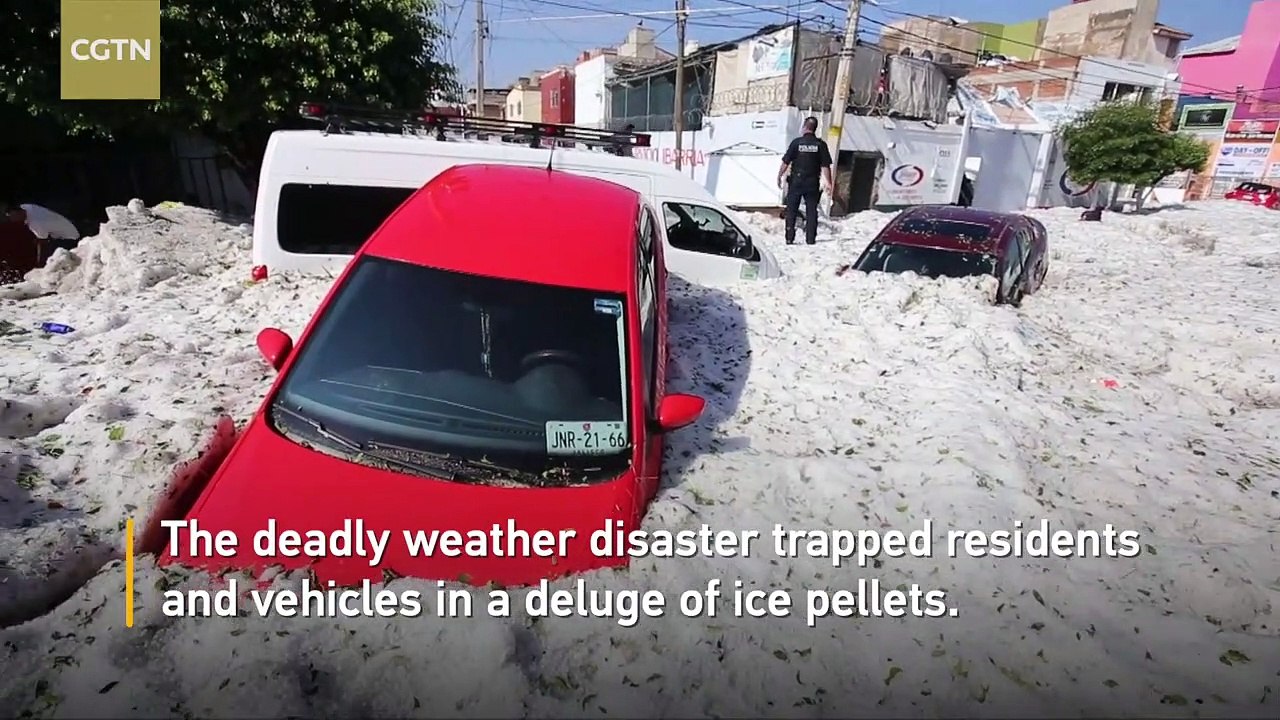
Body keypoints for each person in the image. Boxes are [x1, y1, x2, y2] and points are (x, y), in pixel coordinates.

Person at [776, 116, 834, 245]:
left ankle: (789, 238)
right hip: (812, 182)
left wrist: (779, 175)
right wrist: (829, 183)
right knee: (811, 211)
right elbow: (825, 166)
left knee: (791, 210)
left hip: (796, 181)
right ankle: (810, 238)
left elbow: (786, 161)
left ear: (805, 127)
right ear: (814, 129)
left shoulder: (796, 143)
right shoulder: (820, 145)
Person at [3, 202, 81, 261]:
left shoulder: (36, 223)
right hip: (68, 227)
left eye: (13, 216)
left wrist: (39, 263)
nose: (12, 220)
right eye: (10, 218)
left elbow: (42, 243)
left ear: (19, 212)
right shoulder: (26, 207)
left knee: (48, 253)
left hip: (70, 238)